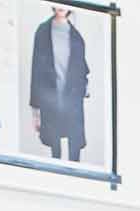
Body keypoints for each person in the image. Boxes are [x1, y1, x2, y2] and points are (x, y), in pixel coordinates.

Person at [29, 5, 89, 162]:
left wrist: (85, 88)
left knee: (74, 143)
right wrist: (36, 113)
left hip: (72, 99)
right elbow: (36, 70)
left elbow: (83, 68)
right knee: (55, 147)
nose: (61, 7)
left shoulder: (76, 36)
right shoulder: (42, 32)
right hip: (50, 97)